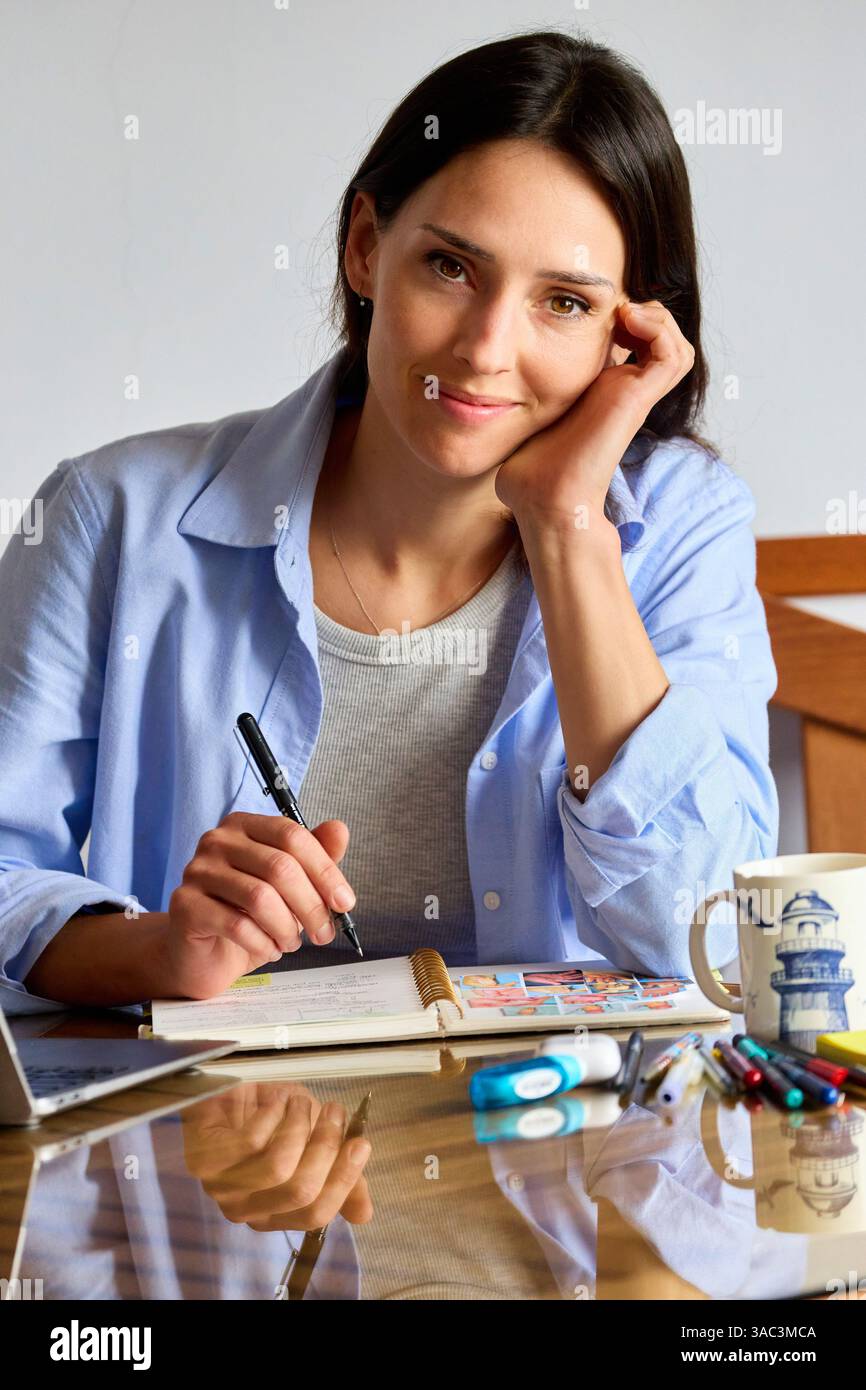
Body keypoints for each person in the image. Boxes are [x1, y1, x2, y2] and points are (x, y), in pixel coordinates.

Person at [0, 30, 778, 1020]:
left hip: (558, 1144)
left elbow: (707, 934)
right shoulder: (111, 516)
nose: (487, 348)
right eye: (450, 267)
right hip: (216, 1152)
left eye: (563, 302)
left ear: (627, 336)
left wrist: (568, 524)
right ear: (365, 246)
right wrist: (162, 948)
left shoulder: (677, 526)